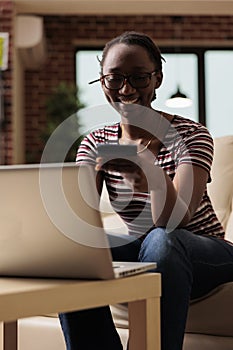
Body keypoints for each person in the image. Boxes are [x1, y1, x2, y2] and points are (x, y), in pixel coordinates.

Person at [58, 31, 233, 350]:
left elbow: (174, 220)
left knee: (162, 239)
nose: (126, 90)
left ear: (157, 79)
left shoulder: (190, 135)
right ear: (102, 81)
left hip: (205, 250)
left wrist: (146, 169)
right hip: (146, 249)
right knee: (72, 253)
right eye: (115, 79)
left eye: (139, 78)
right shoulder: (96, 143)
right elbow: (80, 221)